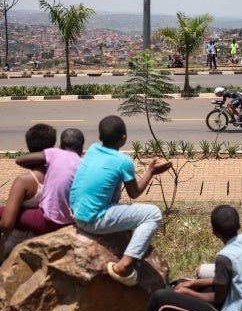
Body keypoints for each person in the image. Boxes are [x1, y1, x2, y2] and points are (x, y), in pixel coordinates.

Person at [69, 115, 172, 287]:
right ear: (124, 137)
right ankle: (124, 265)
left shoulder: (93, 149)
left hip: (76, 213)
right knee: (153, 213)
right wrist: (151, 172)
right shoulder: (123, 161)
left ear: (100, 137)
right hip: (93, 220)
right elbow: (135, 193)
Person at [140, 205, 242, 311]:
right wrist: (194, 284)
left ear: (214, 232)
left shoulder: (225, 257)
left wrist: (187, 292)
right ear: (239, 224)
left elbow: (218, 299)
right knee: (183, 282)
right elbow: (232, 279)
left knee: (160, 297)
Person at [10, 128, 85, 235]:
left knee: (5, 212)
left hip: (46, 220)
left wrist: (45, 164)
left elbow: (20, 160)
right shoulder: (83, 164)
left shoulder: (55, 154)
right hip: (71, 221)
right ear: (82, 148)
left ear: (59, 147)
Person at [0, 123, 57, 259]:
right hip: (48, 238)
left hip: (18, 243)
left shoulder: (24, 181)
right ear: (53, 146)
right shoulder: (59, 176)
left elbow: (7, 224)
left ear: (28, 146)